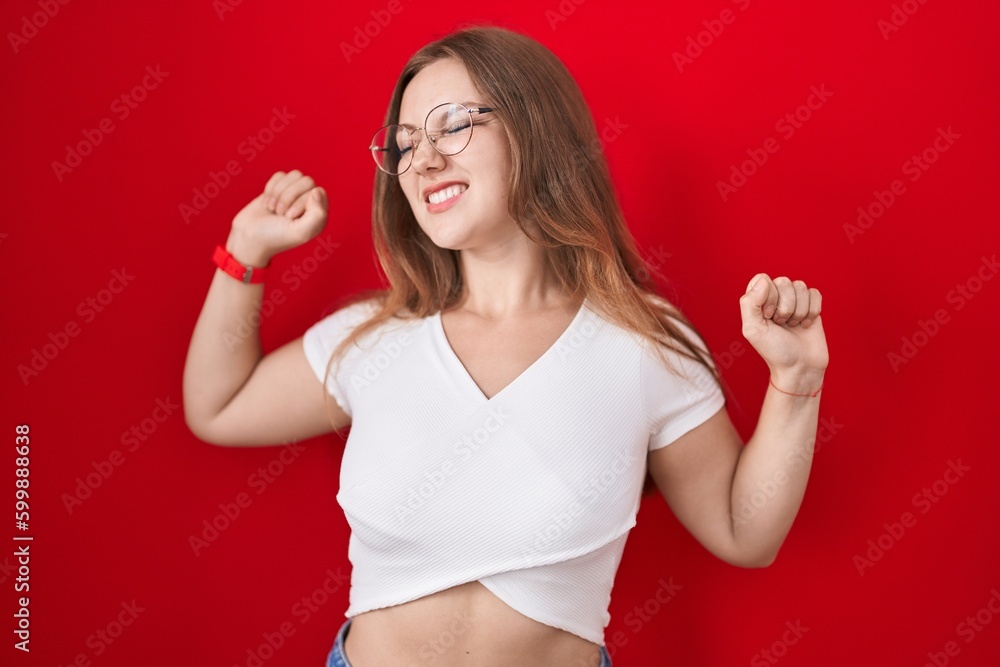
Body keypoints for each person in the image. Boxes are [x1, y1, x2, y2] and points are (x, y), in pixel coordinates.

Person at [182, 25, 828, 667]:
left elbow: (745, 532)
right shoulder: (375, 337)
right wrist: (245, 252)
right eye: (405, 145)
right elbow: (220, 406)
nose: (425, 159)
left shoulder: (642, 342)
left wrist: (796, 381)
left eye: (454, 124)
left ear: (535, 129)